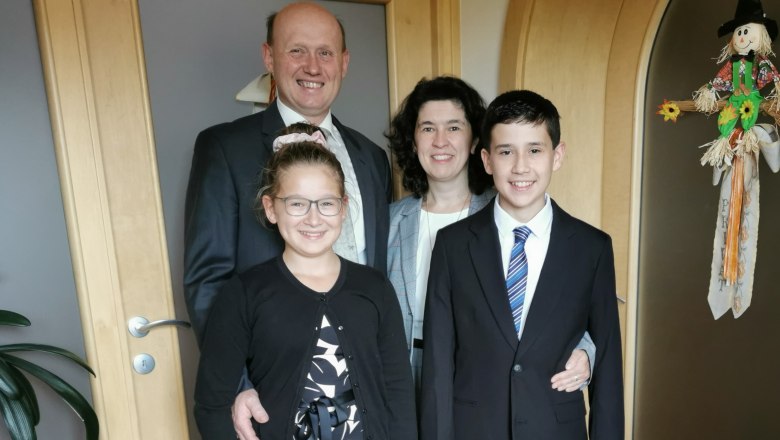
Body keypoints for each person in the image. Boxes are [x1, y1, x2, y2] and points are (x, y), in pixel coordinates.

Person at [420, 90, 624, 439]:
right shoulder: (453, 245)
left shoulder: (593, 248)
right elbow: (438, 366)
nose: (520, 167)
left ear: (557, 156)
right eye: (505, 152)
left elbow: (607, 369)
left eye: (534, 150)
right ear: (486, 160)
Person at [184, 1, 392, 343]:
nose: (313, 67)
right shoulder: (224, 148)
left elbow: (379, 275)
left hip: (364, 366)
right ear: (269, 57)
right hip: (270, 373)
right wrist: (239, 383)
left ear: (344, 62)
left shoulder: (372, 158)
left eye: (325, 53)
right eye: (297, 50)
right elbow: (208, 282)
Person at [194, 130, 416, 439]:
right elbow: (212, 404)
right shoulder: (244, 293)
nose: (313, 219)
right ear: (271, 208)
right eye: (297, 204)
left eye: (326, 203)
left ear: (343, 206)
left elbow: (398, 391)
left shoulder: (375, 287)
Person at [386, 76, 595, 395]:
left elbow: (558, 292)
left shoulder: (511, 212)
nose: (440, 141)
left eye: (454, 127)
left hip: (479, 378)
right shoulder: (390, 222)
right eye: (428, 128)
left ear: (476, 142)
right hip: (399, 375)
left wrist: (585, 352)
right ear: (414, 141)